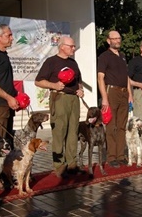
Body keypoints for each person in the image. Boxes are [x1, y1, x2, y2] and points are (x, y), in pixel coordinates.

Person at [34, 36, 85, 178]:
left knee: (73, 131)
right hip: (59, 98)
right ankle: (59, 165)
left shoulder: (73, 62)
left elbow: (79, 80)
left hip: (73, 99)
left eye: (74, 46)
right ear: (62, 46)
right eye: (71, 46)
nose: (73, 48)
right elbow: (38, 81)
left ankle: (72, 163)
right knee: (59, 132)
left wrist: (80, 89)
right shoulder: (51, 62)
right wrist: (53, 85)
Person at [97, 30, 133, 168]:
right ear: (108, 41)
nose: (118, 40)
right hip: (111, 91)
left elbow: (126, 77)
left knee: (122, 126)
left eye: (119, 38)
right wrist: (104, 99)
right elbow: (100, 78)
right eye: (115, 38)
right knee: (111, 126)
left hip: (124, 93)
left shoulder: (123, 56)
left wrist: (130, 94)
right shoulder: (104, 57)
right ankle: (111, 156)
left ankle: (120, 155)